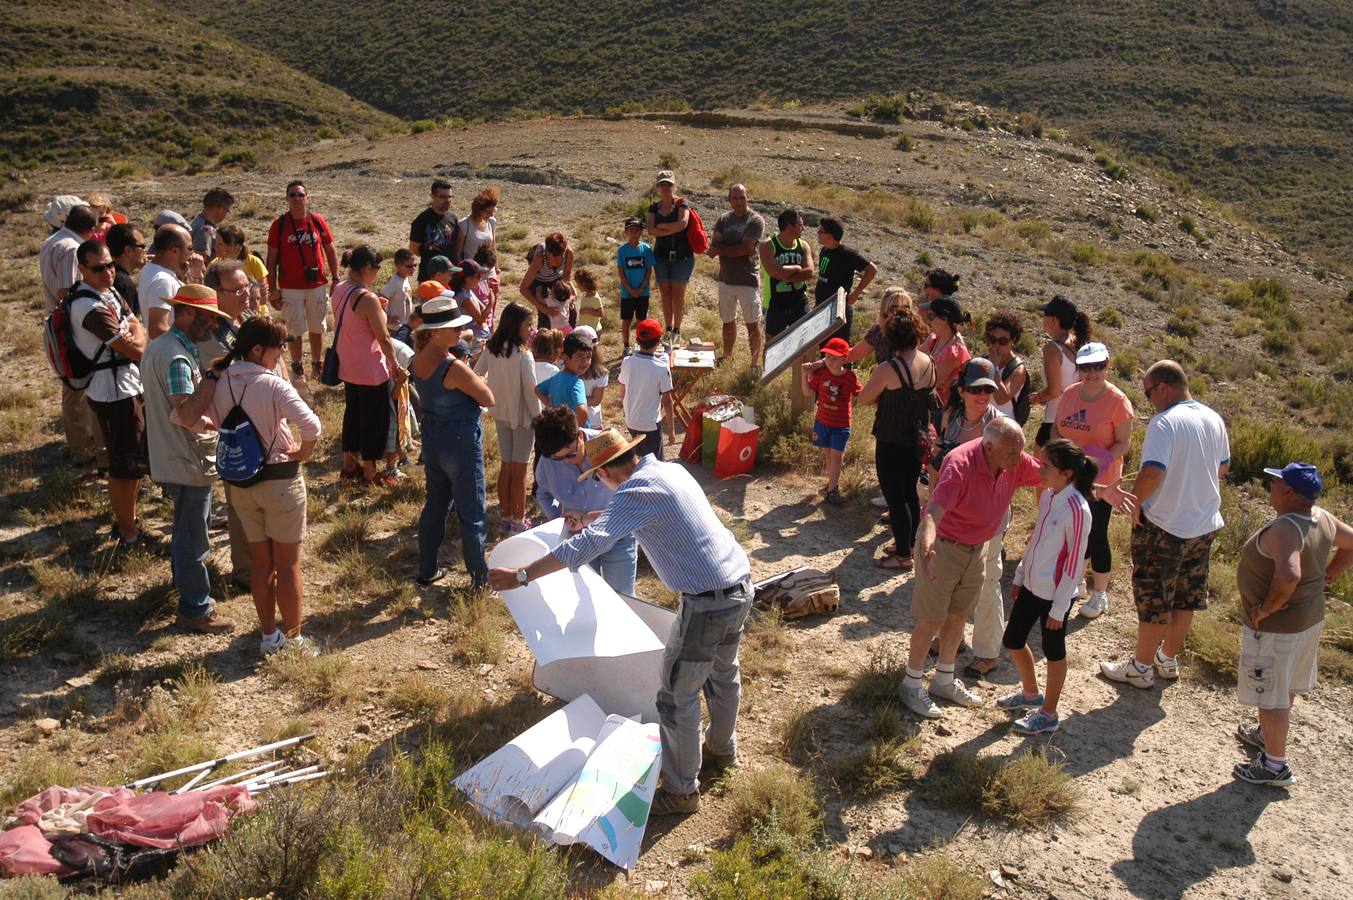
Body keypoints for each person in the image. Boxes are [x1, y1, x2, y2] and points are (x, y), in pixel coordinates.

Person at [486, 428, 753, 817]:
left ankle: (681, 792)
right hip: (737, 587)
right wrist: (590, 516)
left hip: (705, 605)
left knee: (676, 697)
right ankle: (721, 750)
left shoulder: (634, 492)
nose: (599, 482)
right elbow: (632, 513)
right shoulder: (667, 471)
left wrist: (522, 576)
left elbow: (587, 546)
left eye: (596, 476)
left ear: (606, 472)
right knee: (723, 675)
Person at [174, 318, 321, 655]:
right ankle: (295, 639)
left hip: (241, 483)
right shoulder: (273, 385)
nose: (281, 353)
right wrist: (302, 452)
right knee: (288, 565)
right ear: (258, 349)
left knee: (260, 564)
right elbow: (311, 426)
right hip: (280, 482)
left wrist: (216, 423)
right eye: (278, 346)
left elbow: (185, 417)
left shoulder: (219, 379)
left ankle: (269, 637)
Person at [1100, 360, 1229, 688]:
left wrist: (1135, 503)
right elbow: (1223, 468)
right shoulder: (1213, 418)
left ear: (1163, 387)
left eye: (1148, 393)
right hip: (1203, 522)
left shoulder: (1164, 423)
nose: (1149, 400)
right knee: (1187, 596)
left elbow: (1153, 472)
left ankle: (1140, 668)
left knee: (1154, 596)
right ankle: (1167, 660)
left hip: (1165, 525)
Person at [1233, 463, 1353, 786]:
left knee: (1269, 695)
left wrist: (1264, 609)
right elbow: (1351, 542)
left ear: (1288, 491)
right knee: (1283, 686)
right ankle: (1266, 737)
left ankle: (1275, 766)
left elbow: (1289, 575)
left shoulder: (1286, 529)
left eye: (1276, 481)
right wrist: (1330, 573)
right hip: (1307, 622)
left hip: (1276, 630)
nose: (1270, 485)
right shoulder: (1322, 518)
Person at [141, 284, 237, 634]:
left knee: (184, 530)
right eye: (210, 318)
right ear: (188, 313)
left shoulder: (163, 346)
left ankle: (184, 588)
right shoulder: (177, 357)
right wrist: (212, 377)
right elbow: (186, 412)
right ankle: (196, 608)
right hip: (186, 458)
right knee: (195, 536)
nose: (213, 326)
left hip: (173, 454)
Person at [997, 439, 1097, 735]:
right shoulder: (1049, 496)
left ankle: (1049, 714)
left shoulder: (1079, 510)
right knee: (1013, 641)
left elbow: (1075, 563)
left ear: (1066, 474)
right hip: (1030, 586)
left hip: (1055, 596)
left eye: (1047, 466)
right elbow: (1036, 541)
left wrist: (1060, 606)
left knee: (1054, 653)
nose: (1040, 470)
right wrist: (1019, 577)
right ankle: (1030, 694)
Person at [932, 358, 1009, 677]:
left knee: (988, 582)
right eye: (976, 388)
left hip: (986, 521)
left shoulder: (1000, 428)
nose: (983, 395)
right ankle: (952, 638)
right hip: (953, 518)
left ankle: (988, 652)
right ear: (961, 390)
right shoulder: (951, 417)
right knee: (952, 580)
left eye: (988, 389)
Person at [410, 296, 494, 587]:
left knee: (435, 505)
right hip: (460, 442)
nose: (459, 332)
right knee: (472, 513)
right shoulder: (452, 367)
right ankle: (480, 579)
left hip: (433, 437)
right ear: (434, 332)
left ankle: (426, 569)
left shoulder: (417, 359)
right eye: (453, 328)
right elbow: (488, 398)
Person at [69, 241, 149, 545]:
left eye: (110, 265)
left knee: (134, 462)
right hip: (113, 394)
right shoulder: (88, 306)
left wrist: (132, 330)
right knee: (123, 467)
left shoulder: (110, 293)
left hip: (128, 386)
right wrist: (131, 333)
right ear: (82, 269)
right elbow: (137, 347)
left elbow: (136, 327)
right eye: (99, 268)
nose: (108, 272)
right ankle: (128, 533)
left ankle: (130, 521)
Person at [1053, 342, 1134, 620]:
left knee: (1096, 532)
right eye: (1086, 367)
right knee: (1073, 530)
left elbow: (1123, 444)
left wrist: (1096, 466)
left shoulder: (1117, 401)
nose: (1092, 373)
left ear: (1107, 366)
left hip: (1102, 478)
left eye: (1098, 366)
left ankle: (1100, 594)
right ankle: (1076, 580)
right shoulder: (1070, 394)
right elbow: (1057, 428)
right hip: (1070, 474)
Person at [857, 307, 936, 571]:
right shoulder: (929, 362)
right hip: (917, 439)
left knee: (895, 498)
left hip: (891, 440)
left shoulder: (888, 369)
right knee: (910, 494)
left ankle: (903, 556)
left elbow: (864, 398)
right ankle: (909, 543)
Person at [531, 407, 639, 595]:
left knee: (623, 597)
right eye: (558, 459)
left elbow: (634, 494)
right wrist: (559, 520)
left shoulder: (607, 447)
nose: (566, 462)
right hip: (580, 539)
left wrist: (588, 517)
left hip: (618, 534)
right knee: (587, 596)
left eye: (570, 455)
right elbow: (542, 493)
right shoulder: (547, 462)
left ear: (580, 435)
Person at [329, 246, 406, 486]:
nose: (377, 273)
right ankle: (370, 472)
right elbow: (383, 338)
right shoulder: (367, 298)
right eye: (376, 268)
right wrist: (394, 364)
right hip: (371, 369)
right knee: (374, 420)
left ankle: (349, 464)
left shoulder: (340, 288)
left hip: (348, 364)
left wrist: (377, 308)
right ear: (366, 268)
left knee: (353, 413)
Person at [474, 303, 541, 534]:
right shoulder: (524, 356)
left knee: (506, 466)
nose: (531, 329)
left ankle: (505, 516)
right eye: (528, 324)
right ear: (516, 326)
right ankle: (518, 522)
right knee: (520, 471)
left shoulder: (491, 349)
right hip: (523, 419)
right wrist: (539, 418)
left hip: (500, 415)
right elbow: (531, 392)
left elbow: (476, 374)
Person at [43, 205, 102, 466]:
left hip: (58, 320)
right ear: (90, 229)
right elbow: (66, 290)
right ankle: (82, 449)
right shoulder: (70, 248)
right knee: (76, 386)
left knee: (73, 385)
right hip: (70, 324)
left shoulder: (53, 240)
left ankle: (82, 444)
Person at [266, 180, 338, 378]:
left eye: (300, 194)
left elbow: (330, 250)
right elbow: (271, 260)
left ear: (307, 197)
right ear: (287, 199)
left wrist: (336, 277)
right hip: (290, 286)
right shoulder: (279, 225)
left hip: (316, 283)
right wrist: (273, 289)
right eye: (292, 195)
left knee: (317, 326)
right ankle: (297, 366)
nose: (296, 198)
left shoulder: (317, 221)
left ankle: (316, 363)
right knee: (294, 328)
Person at [707, 183, 766, 362]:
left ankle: (754, 363)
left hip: (747, 279)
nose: (739, 202)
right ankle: (727, 356)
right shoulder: (724, 219)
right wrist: (728, 249)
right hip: (726, 279)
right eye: (735, 198)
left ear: (748, 197)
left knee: (752, 324)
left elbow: (745, 248)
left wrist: (722, 250)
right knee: (727, 321)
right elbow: (715, 244)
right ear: (729, 200)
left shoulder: (755, 220)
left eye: (742, 197)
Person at [800, 338, 861, 503]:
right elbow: (807, 393)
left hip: (841, 425)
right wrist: (804, 374)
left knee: (836, 456)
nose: (830, 361)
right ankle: (830, 485)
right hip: (823, 422)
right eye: (827, 357)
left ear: (844, 358)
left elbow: (861, 395)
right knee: (828, 453)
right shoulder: (821, 374)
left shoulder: (849, 377)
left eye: (834, 358)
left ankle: (833, 489)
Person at [1030, 295, 1091, 447]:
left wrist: (1036, 398)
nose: (1042, 318)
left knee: (1040, 468)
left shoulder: (1052, 349)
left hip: (1054, 422)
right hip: (1078, 421)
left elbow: (1054, 392)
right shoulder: (1079, 342)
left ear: (1054, 320)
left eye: (1045, 315)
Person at [646, 171, 695, 340]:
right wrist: (670, 227)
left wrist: (662, 226)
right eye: (662, 184)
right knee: (665, 294)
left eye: (669, 184)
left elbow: (682, 224)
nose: (665, 188)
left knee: (678, 295)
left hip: (683, 257)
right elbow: (651, 230)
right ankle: (668, 329)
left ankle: (677, 330)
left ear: (674, 186)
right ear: (658, 186)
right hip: (661, 257)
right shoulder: (653, 207)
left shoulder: (682, 204)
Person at [815, 216, 878, 344]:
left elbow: (872, 270)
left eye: (820, 231)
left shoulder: (847, 254)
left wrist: (856, 293)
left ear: (829, 236)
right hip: (822, 308)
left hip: (839, 310)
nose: (817, 233)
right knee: (823, 348)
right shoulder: (824, 250)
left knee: (838, 349)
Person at [140, 223, 206, 340]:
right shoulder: (162, 281)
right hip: (170, 354)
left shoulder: (153, 270)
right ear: (174, 251)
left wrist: (194, 276)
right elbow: (158, 329)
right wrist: (187, 343)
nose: (192, 253)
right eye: (189, 249)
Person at [619, 319, 673, 460]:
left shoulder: (627, 362)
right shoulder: (661, 368)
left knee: (640, 459)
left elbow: (622, 390)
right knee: (656, 464)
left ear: (637, 340)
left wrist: (627, 411)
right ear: (658, 341)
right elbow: (667, 401)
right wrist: (671, 431)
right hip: (650, 425)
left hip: (631, 420)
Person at [759, 208, 816, 340]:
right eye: (800, 225)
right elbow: (773, 272)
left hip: (799, 302)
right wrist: (797, 267)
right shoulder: (768, 245)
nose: (803, 229)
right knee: (771, 344)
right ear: (789, 228)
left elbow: (809, 272)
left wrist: (785, 276)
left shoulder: (803, 245)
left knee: (804, 340)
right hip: (776, 303)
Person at [921, 295, 971, 413]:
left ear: (944, 319)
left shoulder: (955, 351)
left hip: (943, 412)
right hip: (929, 404)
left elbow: (931, 383)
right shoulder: (935, 337)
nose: (928, 320)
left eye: (931, 316)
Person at [211, 224, 270, 316]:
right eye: (215, 243)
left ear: (236, 247)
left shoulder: (253, 262)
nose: (215, 247)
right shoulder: (214, 266)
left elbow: (263, 296)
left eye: (220, 244)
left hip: (255, 314)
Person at [536, 332, 593, 426]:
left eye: (588, 356)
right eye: (579, 356)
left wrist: (553, 409)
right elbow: (582, 411)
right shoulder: (577, 383)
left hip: (560, 430)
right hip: (574, 435)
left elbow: (538, 390)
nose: (585, 361)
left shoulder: (555, 378)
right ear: (565, 357)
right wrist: (578, 431)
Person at [616, 216, 655, 354]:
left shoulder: (646, 249)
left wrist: (641, 287)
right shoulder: (622, 250)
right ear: (626, 232)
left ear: (641, 232)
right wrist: (630, 289)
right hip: (627, 292)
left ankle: (641, 344)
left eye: (637, 230)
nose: (634, 233)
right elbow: (621, 272)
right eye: (631, 230)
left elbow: (649, 270)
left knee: (641, 320)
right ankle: (626, 346)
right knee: (626, 320)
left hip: (643, 292)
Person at [519, 232, 574, 329]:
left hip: (557, 279)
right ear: (548, 253)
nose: (556, 264)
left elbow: (566, 275)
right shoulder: (540, 258)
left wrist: (568, 296)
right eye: (553, 260)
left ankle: (571, 338)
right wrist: (543, 308)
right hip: (538, 282)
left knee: (571, 311)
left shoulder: (569, 253)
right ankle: (542, 341)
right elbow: (523, 288)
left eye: (559, 260)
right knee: (545, 316)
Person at [983, 310, 1030, 423]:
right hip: (983, 423)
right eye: (993, 340)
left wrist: (993, 367)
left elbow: (1001, 398)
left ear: (1013, 340)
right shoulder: (984, 360)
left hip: (1004, 427)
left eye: (1003, 341)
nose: (997, 345)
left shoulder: (1017, 369)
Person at [410, 180, 459, 282]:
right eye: (442, 197)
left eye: (449, 196)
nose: (447, 200)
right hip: (430, 277)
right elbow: (414, 248)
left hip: (451, 276)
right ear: (433, 196)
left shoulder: (453, 218)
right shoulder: (422, 220)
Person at [105, 223, 146, 318]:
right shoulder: (124, 284)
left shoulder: (108, 275)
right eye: (142, 246)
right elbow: (130, 325)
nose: (145, 250)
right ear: (128, 250)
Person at [575, 326, 608, 429]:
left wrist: (572, 400)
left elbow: (595, 400)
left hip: (572, 419)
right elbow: (595, 400)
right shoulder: (601, 373)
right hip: (593, 420)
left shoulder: (563, 367)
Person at [379, 248, 418, 335]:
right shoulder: (394, 283)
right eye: (409, 266)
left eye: (415, 265)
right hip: (394, 328)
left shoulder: (405, 278)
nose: (413, 269)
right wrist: (387, 319)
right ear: (398, 265)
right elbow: (379, 302)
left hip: (404, 325)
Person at [455, 187, 498, 263]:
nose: (492, 215)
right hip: (472, 271)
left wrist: (496, 268)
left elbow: (493, 248)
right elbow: (457, 254)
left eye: (493, 211)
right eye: (488, 212)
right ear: (478, 210)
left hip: (490, 271)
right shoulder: (464, 225)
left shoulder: (491, 221)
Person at [191, 187, 234, 257]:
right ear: (219, 208)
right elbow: (201, 263)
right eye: (227, 211)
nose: (226, 215)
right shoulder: (204, 230)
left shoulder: (202, 223)